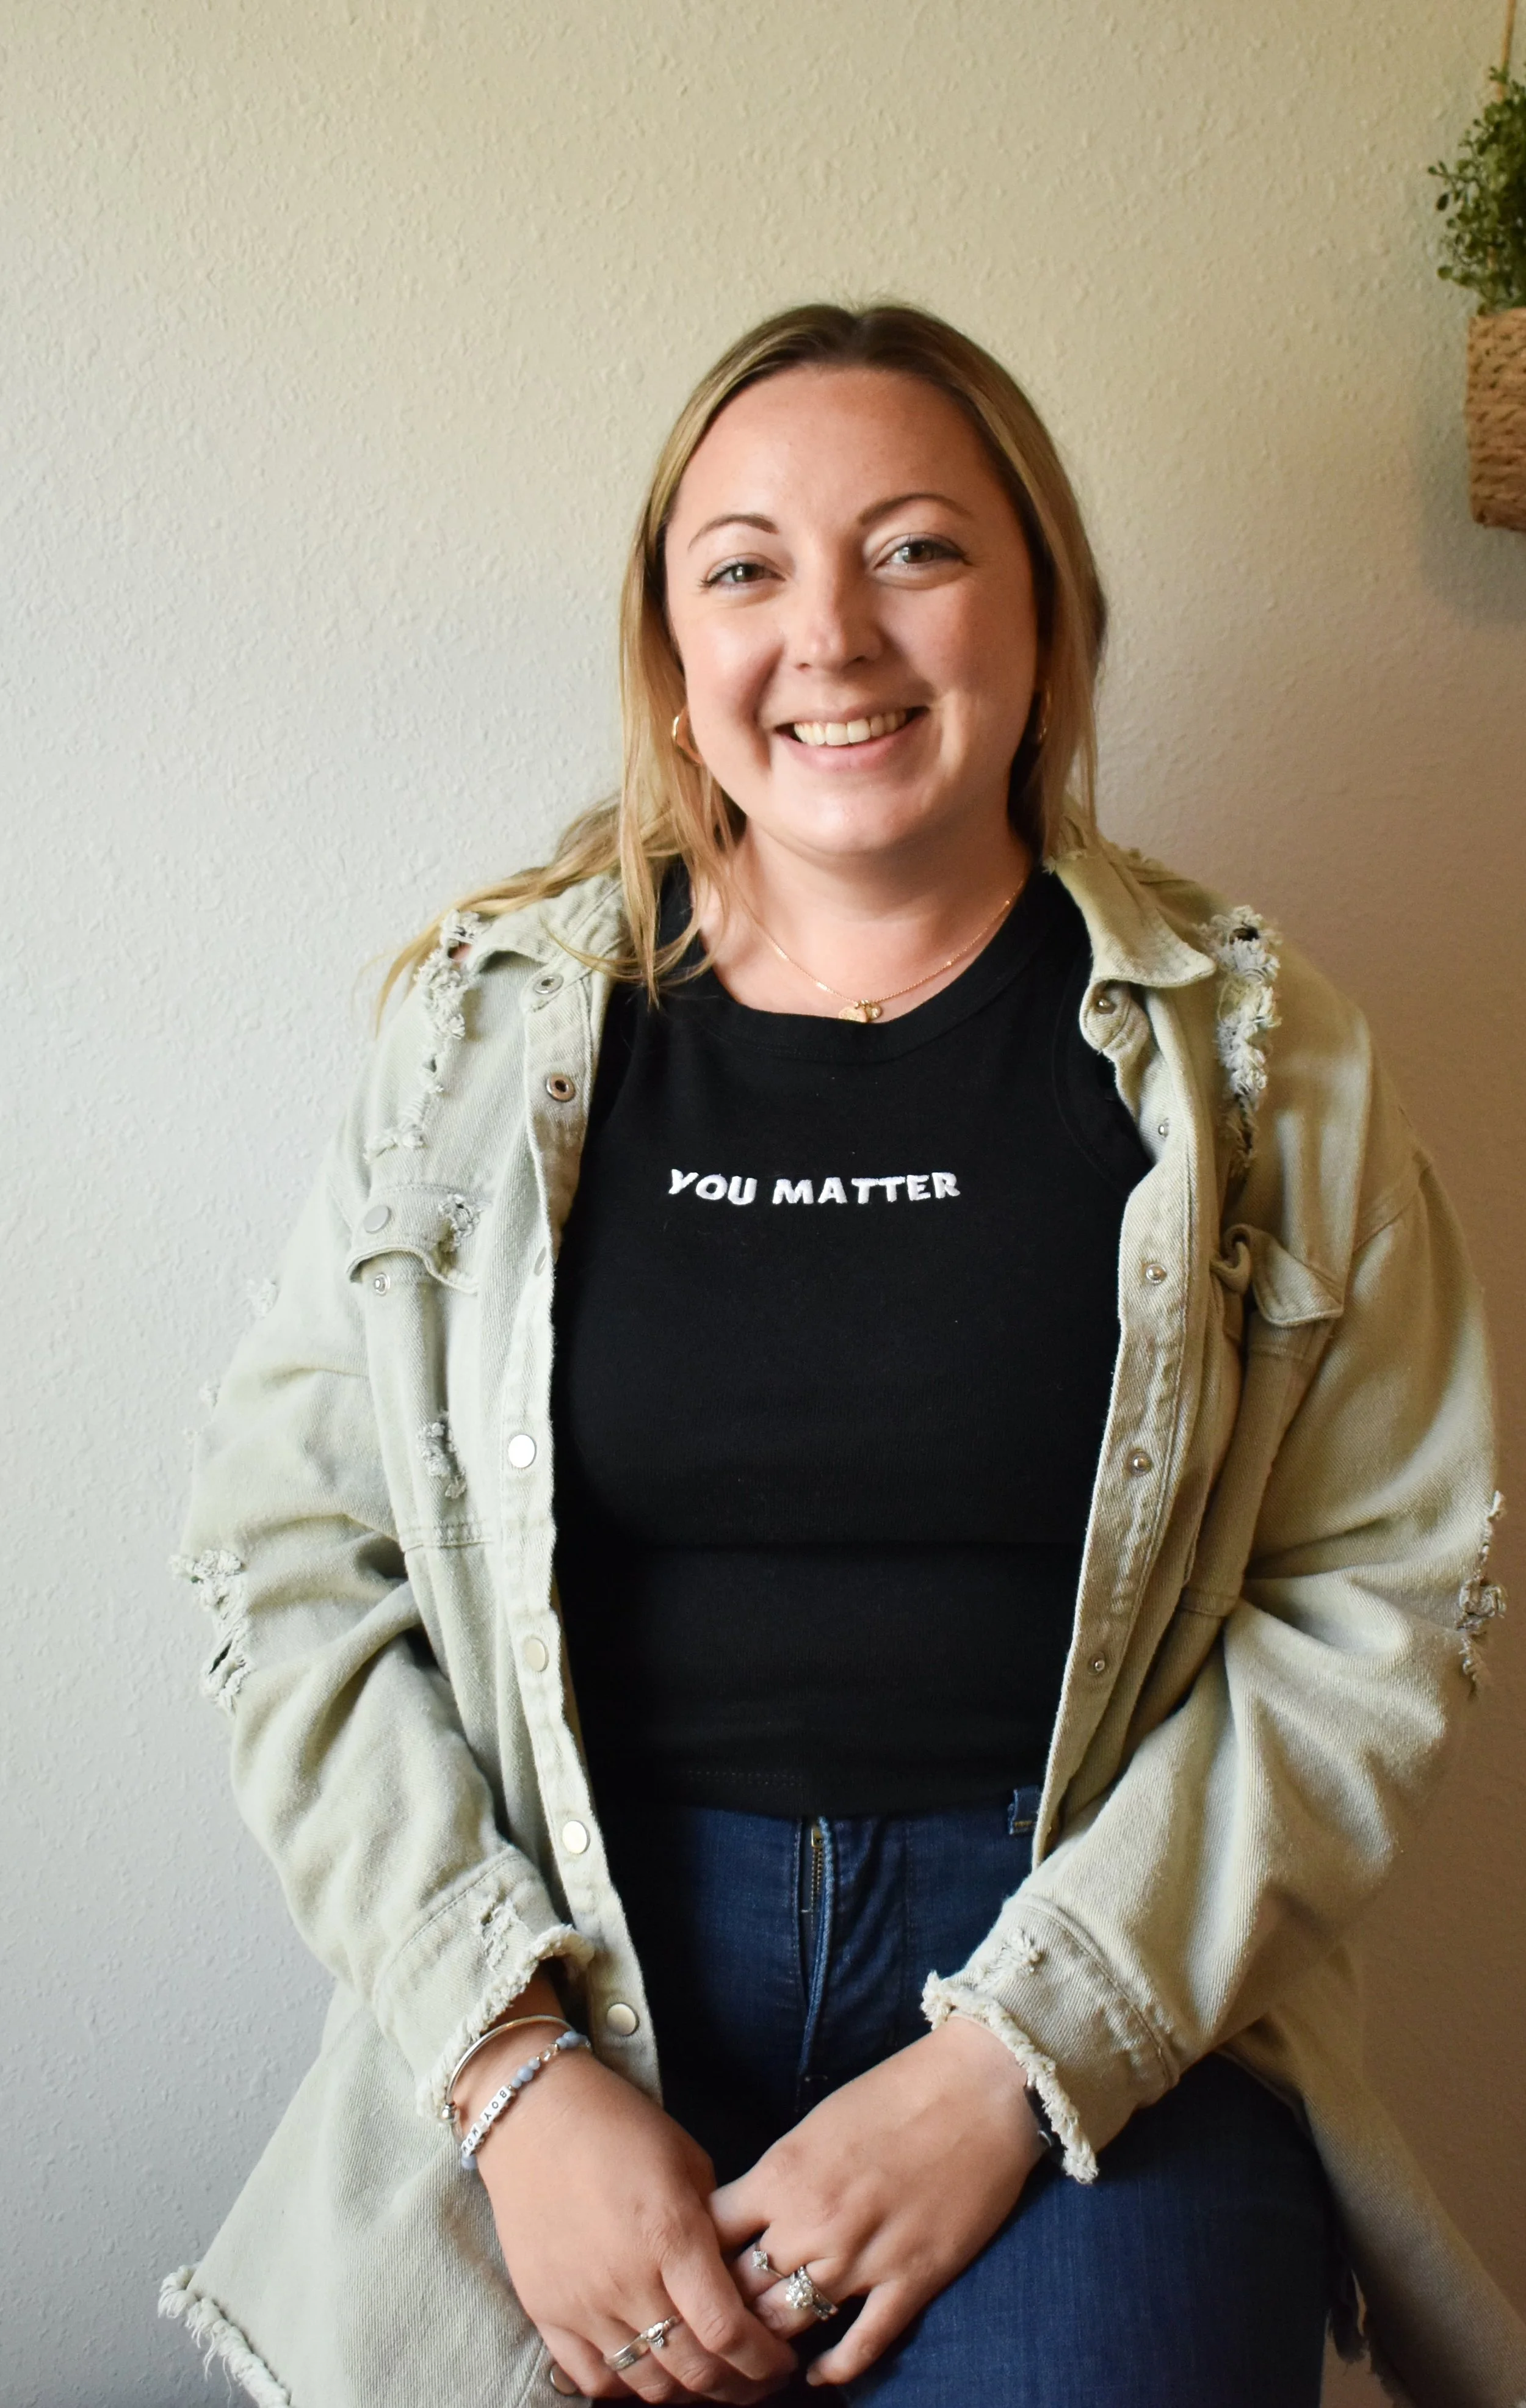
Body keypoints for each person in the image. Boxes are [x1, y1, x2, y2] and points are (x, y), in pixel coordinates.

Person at [161, 303, 1525, 2408]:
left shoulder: (1260, 1064)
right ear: (667, 645)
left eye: (916, 550)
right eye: (745, 568)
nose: (833, 637)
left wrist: (1011, 2060)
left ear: (1048, 614)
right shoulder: (479, 1045)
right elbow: (285, 1560)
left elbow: (1379, 1597)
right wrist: (512, 2071)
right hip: (582, 1962)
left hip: (1088, 1968)